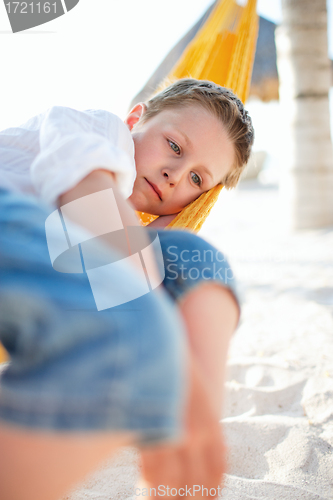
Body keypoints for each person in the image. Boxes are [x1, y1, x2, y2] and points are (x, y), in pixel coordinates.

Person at [0, 79, 254, 499]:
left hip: (39, 263)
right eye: (174, 146)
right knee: (138, 326)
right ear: (136, 119)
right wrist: (171, 353)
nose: (175, 176)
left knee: (198, 259)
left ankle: (188, 462)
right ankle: (180, 400)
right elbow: (90, 204)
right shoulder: (98, 130)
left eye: (196, 178)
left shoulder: (128, 217)